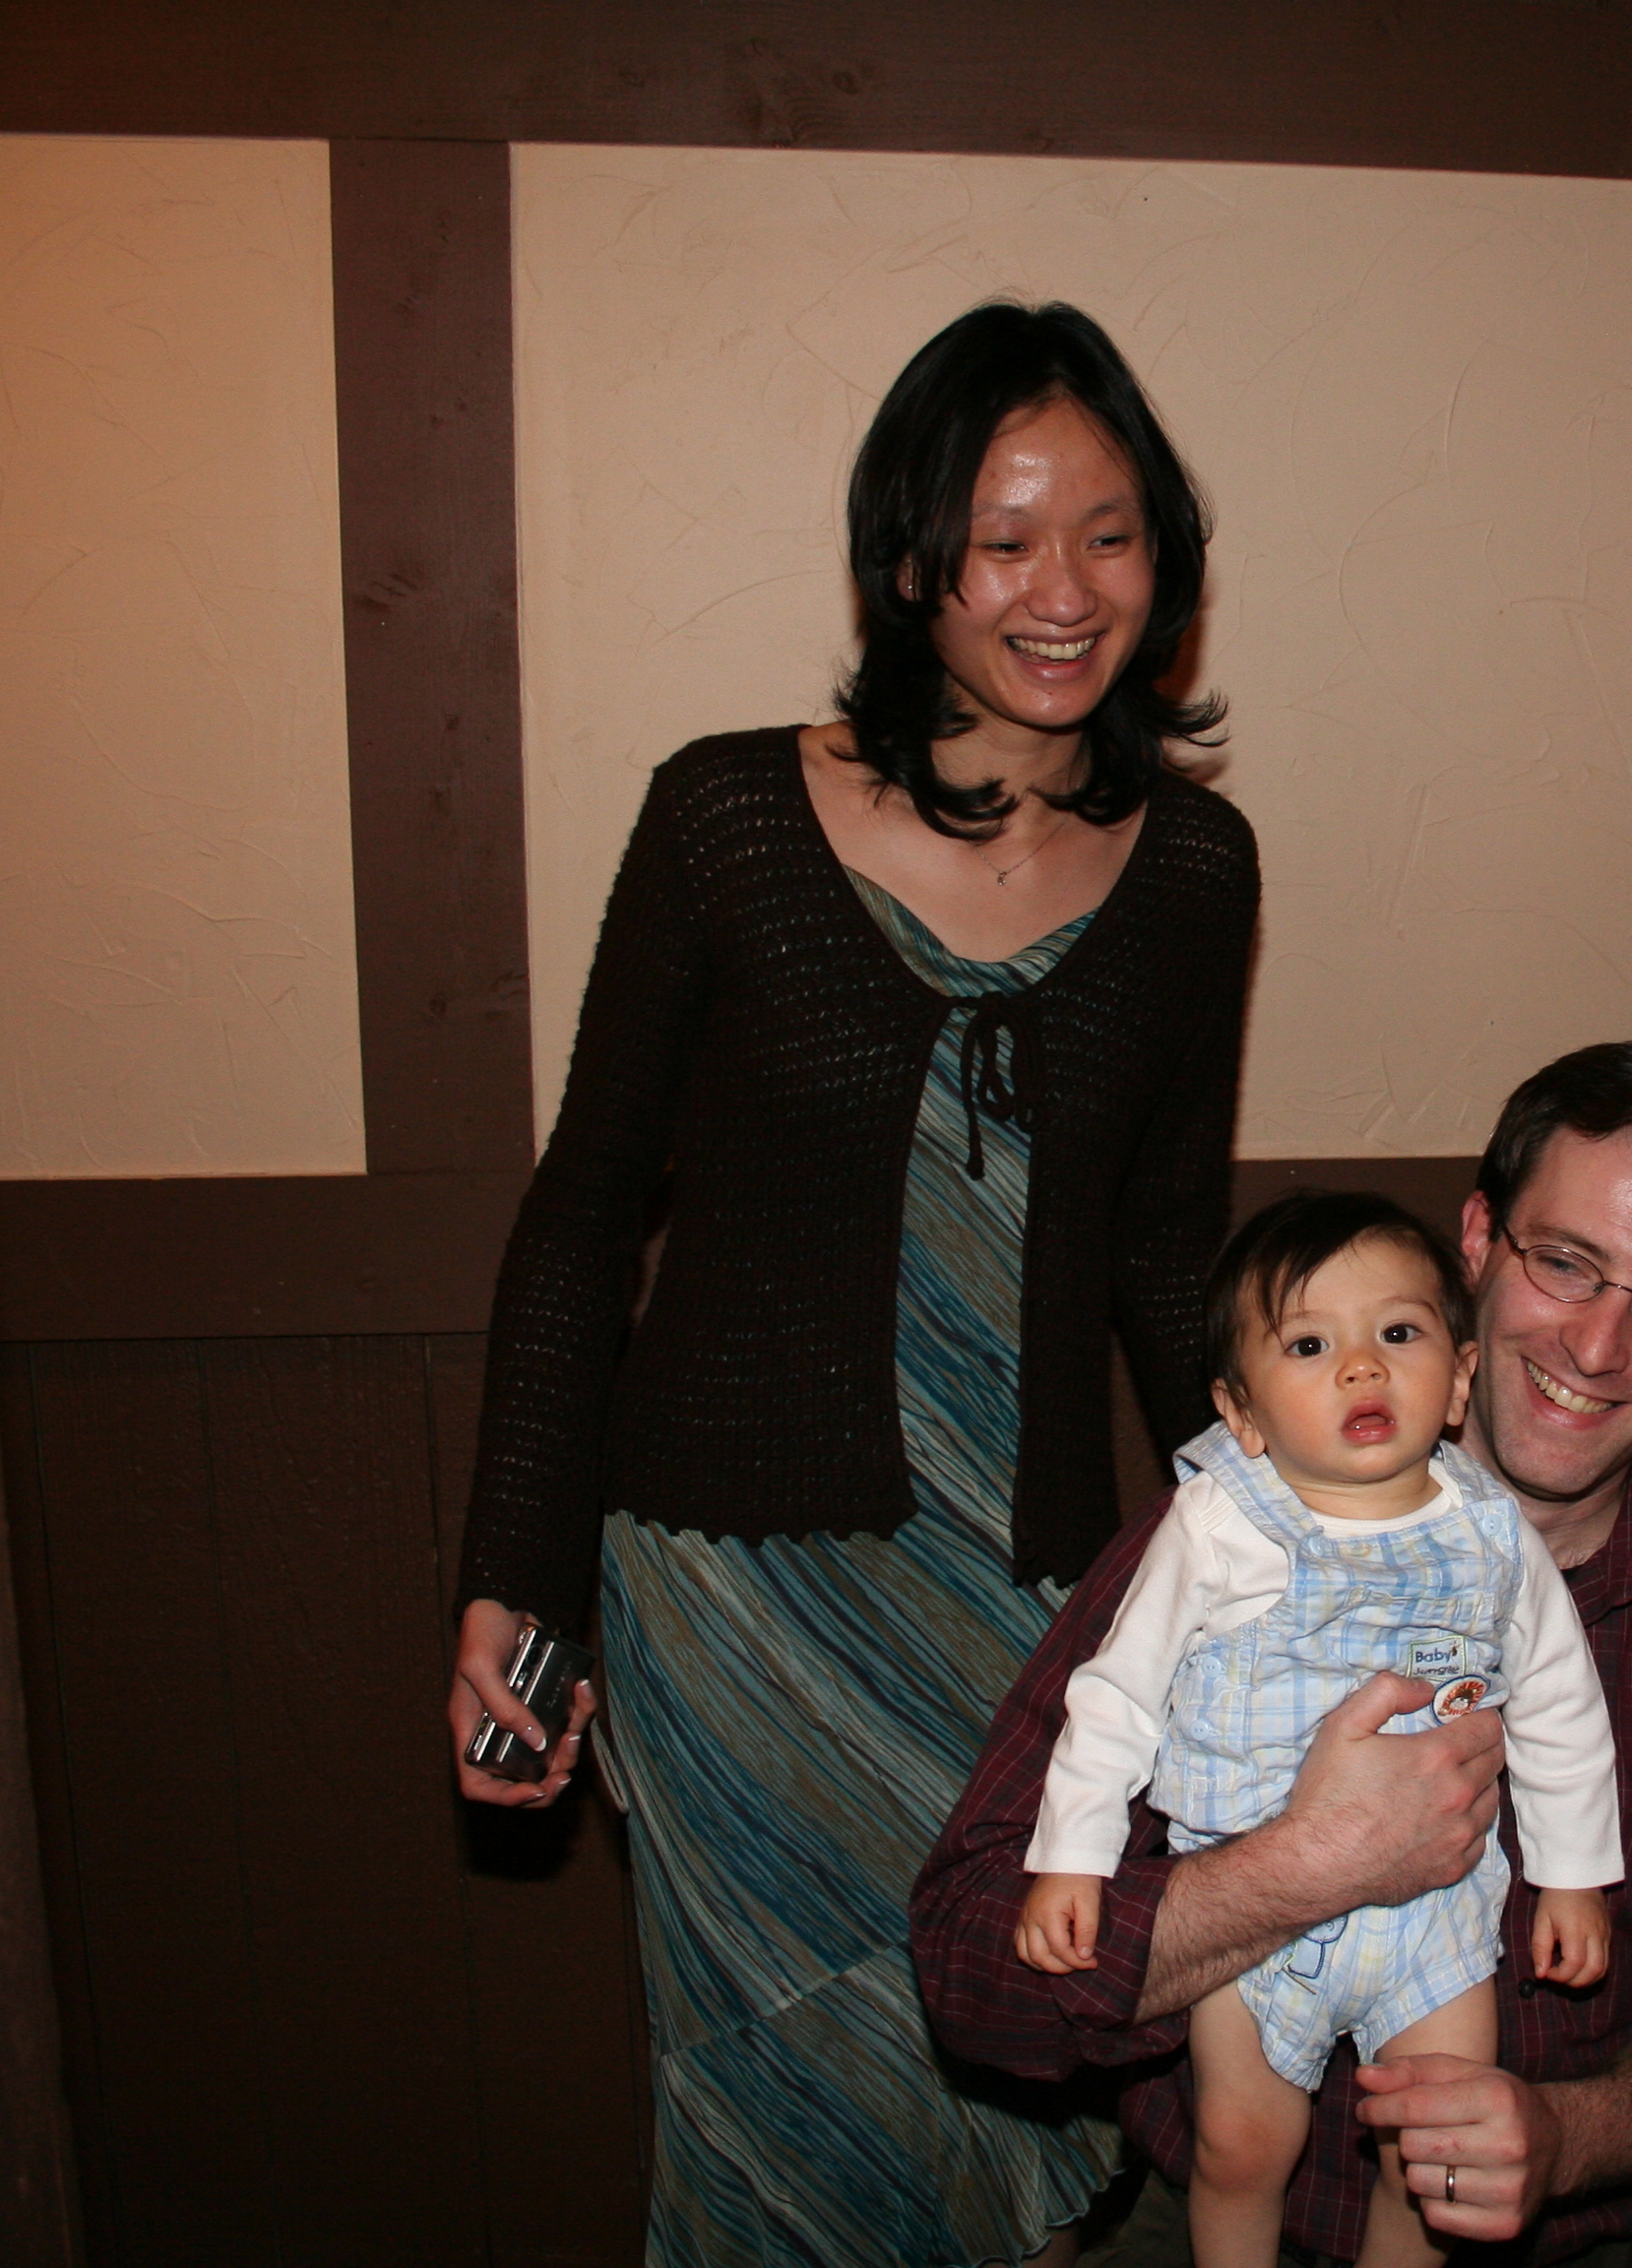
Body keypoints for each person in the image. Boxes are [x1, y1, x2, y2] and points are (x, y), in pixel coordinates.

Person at [444, 300, 1260, 2265]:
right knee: (773, 2106)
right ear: (909, 564)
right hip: (727, 1597)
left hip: (1025, 1610)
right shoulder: (725, 815)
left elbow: (1166, 1254)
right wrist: (513, 1579)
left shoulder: (1197, 867)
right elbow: (584, 1214)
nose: (1063, 590)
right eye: (1003, 538)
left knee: (999, 2087)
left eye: (1111, 534)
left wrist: (1301, 1547)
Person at [913, 1042, 1632, 2266]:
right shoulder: (1224, 1537)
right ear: (1478, 1239)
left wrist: (1569, 2137)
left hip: (1609, 2224)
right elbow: (975, 1973)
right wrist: (1296, 1868)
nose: (1597, 1346)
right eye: (1565, 1262)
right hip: (1245, 2211)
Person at [1019, 1191, 1621, 2268]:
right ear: (1242, 1413)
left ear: (1460, 1380)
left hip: (1438, 1916)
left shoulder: (1493, 1533)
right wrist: (1074, 1855)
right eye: (1309, 1345)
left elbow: (1560, 1702)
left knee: (1434, 2158)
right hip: (1256, 1910)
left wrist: (1573, 1876)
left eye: (1399, 1332)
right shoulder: (1218, 1522)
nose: (1361, 1367)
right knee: (1242, 2143)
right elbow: (1118, 1695)